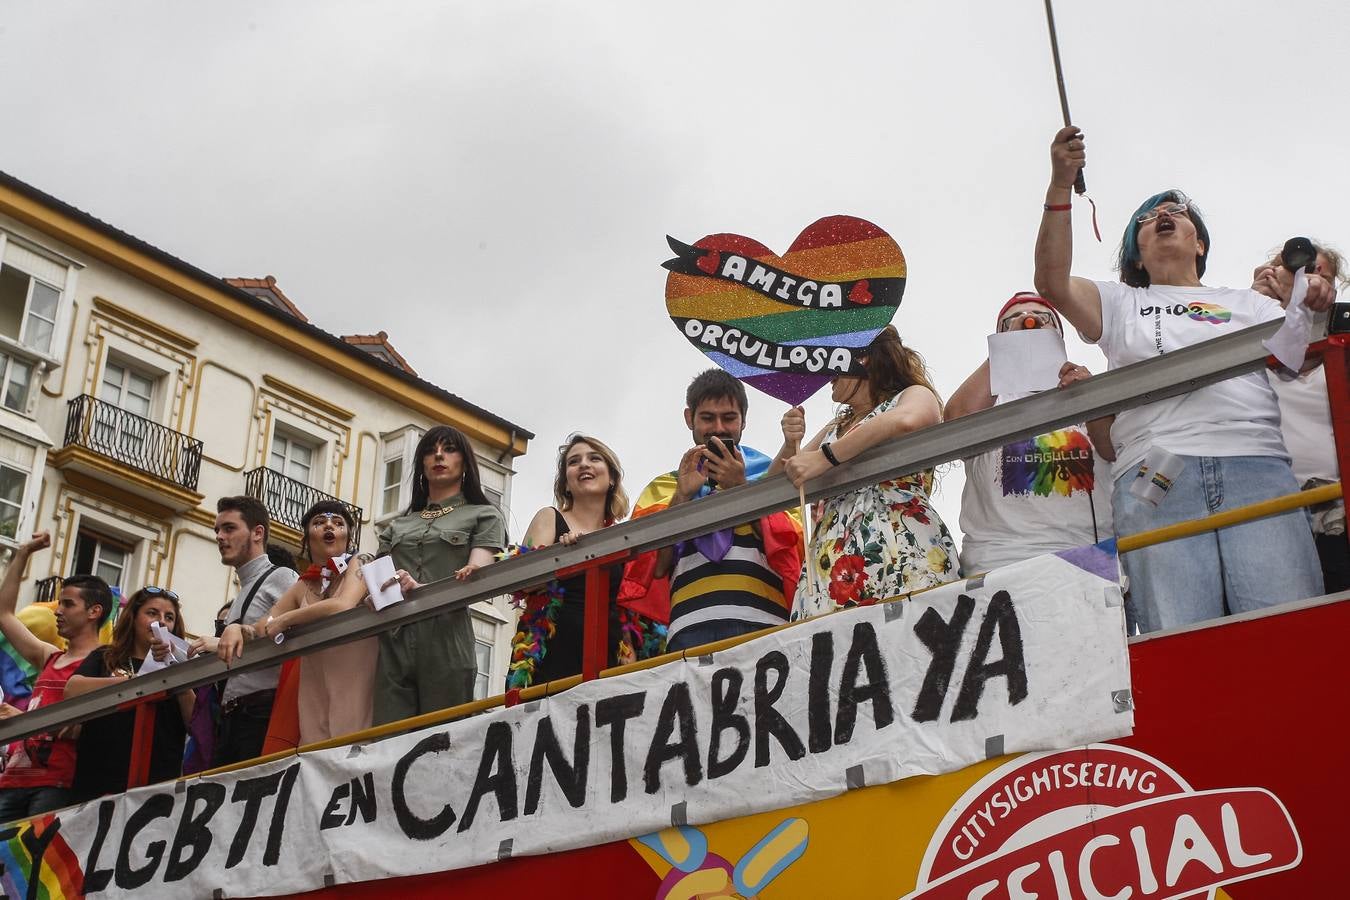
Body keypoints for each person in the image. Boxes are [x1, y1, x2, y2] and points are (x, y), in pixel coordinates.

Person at [1033, 125, 1335, 632]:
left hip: (1255, 466)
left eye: (1176, 213)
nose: (1163, 217)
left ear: (1200, 243)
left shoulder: (1251, 303)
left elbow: (1294, 363)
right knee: (1178, 638)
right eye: (1148, 219)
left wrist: (1311, 305)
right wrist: (1061, 183)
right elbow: (1051, 281)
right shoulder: (1121, 302)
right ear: (1136, 254)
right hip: (1155, 475)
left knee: (1288, 631)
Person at [777, 325, 960, 617]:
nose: (826, 374)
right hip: (832, 573)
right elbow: (781, 482)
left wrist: (826, 459)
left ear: (863, 359)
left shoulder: (911, 396)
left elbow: (908, 420)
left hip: (901, 555)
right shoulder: (832, 430)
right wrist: (790, 444)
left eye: (833, 361)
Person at [621, 369, 802, 653]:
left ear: (744, 420)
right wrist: (683, 495)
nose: (718, 427)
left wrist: (739, 488)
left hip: (766, 626)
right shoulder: (665, 487)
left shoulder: (773, 476)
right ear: (688, 418)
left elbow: (794, 554)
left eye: (728, 417)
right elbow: (654, 566)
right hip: (688, 631)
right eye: (707, 417)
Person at [946, 293, 1115, 573]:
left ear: (1060, 337)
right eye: (1012, 321)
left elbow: (1110, 447)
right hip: (1001, 561)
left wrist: (1090, 396)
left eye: (1044, 318)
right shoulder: (991, 405)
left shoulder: (1083, 394)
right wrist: (1009, 347)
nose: (1030, 321)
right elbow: (955, 419)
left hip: (1085, 559)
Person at [374, 425, 505, 724]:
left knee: (440, 740)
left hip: (447, 636)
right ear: (421, 464)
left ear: (465, 463)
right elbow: (379, 579)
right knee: (386, 740)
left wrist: (421, 588)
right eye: (431, 451)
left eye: (449, 449)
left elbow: (476, 576)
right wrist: (372, 594)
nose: (439, 456)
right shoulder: (397, 526)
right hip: (393, 639)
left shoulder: (484, 515)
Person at [220, 501, 378, 744]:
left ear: (348, 536)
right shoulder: (302, 586)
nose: (329, 526)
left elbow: (343, 605)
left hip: (355, 681)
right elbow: (264, 626)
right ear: (307, 537)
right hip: (314, 687)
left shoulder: (362, 561)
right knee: (315, 759)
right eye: (319, 522)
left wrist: (286, 619)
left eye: (338, 523)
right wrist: (236, 628)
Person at [1254, 241, 1350, 591]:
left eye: (1314, 273)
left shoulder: (1345, 349)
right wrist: (1249, 305)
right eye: (1291, 271)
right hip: (1274, 517)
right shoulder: (1239, 352)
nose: (1303, 282)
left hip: (1340, 513)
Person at [0, 534, 111, 821]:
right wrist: (23, 553)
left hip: (57, 783)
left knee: (39, 863)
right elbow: (4, 614)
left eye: (68, 604)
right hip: (13, 778)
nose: (58, 611)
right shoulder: (49, 656)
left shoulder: (107, 662)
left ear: (94, 612)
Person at [511, 434, 632, 686]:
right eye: (574, 461)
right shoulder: (550, 517)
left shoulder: (623, 536)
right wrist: (563, 557)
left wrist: (629, 657)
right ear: (565, 484)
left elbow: (625, 608)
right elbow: (521, 583)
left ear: (611, 479)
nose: (584, 464)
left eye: (594, 458)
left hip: (607, 660)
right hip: (551, 655)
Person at [188, 496, 298, 766]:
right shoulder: (243, 591)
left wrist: (233, 636)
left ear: (257, 532)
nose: (220, 537)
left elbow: (292, 629)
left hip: (259, 712)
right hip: (234, 717)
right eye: (217, 530)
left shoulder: (281, 576)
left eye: (229, 528)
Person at [65, 586, 193, 799]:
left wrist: (177, 675)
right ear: (133, 618)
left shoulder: (183, 667)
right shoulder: (105, 657)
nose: (161, 621)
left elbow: (194, 723)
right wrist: (131, 683)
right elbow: (72, 689)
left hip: (156, 787)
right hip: (97, 780)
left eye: (169, 617)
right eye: (152, 613)